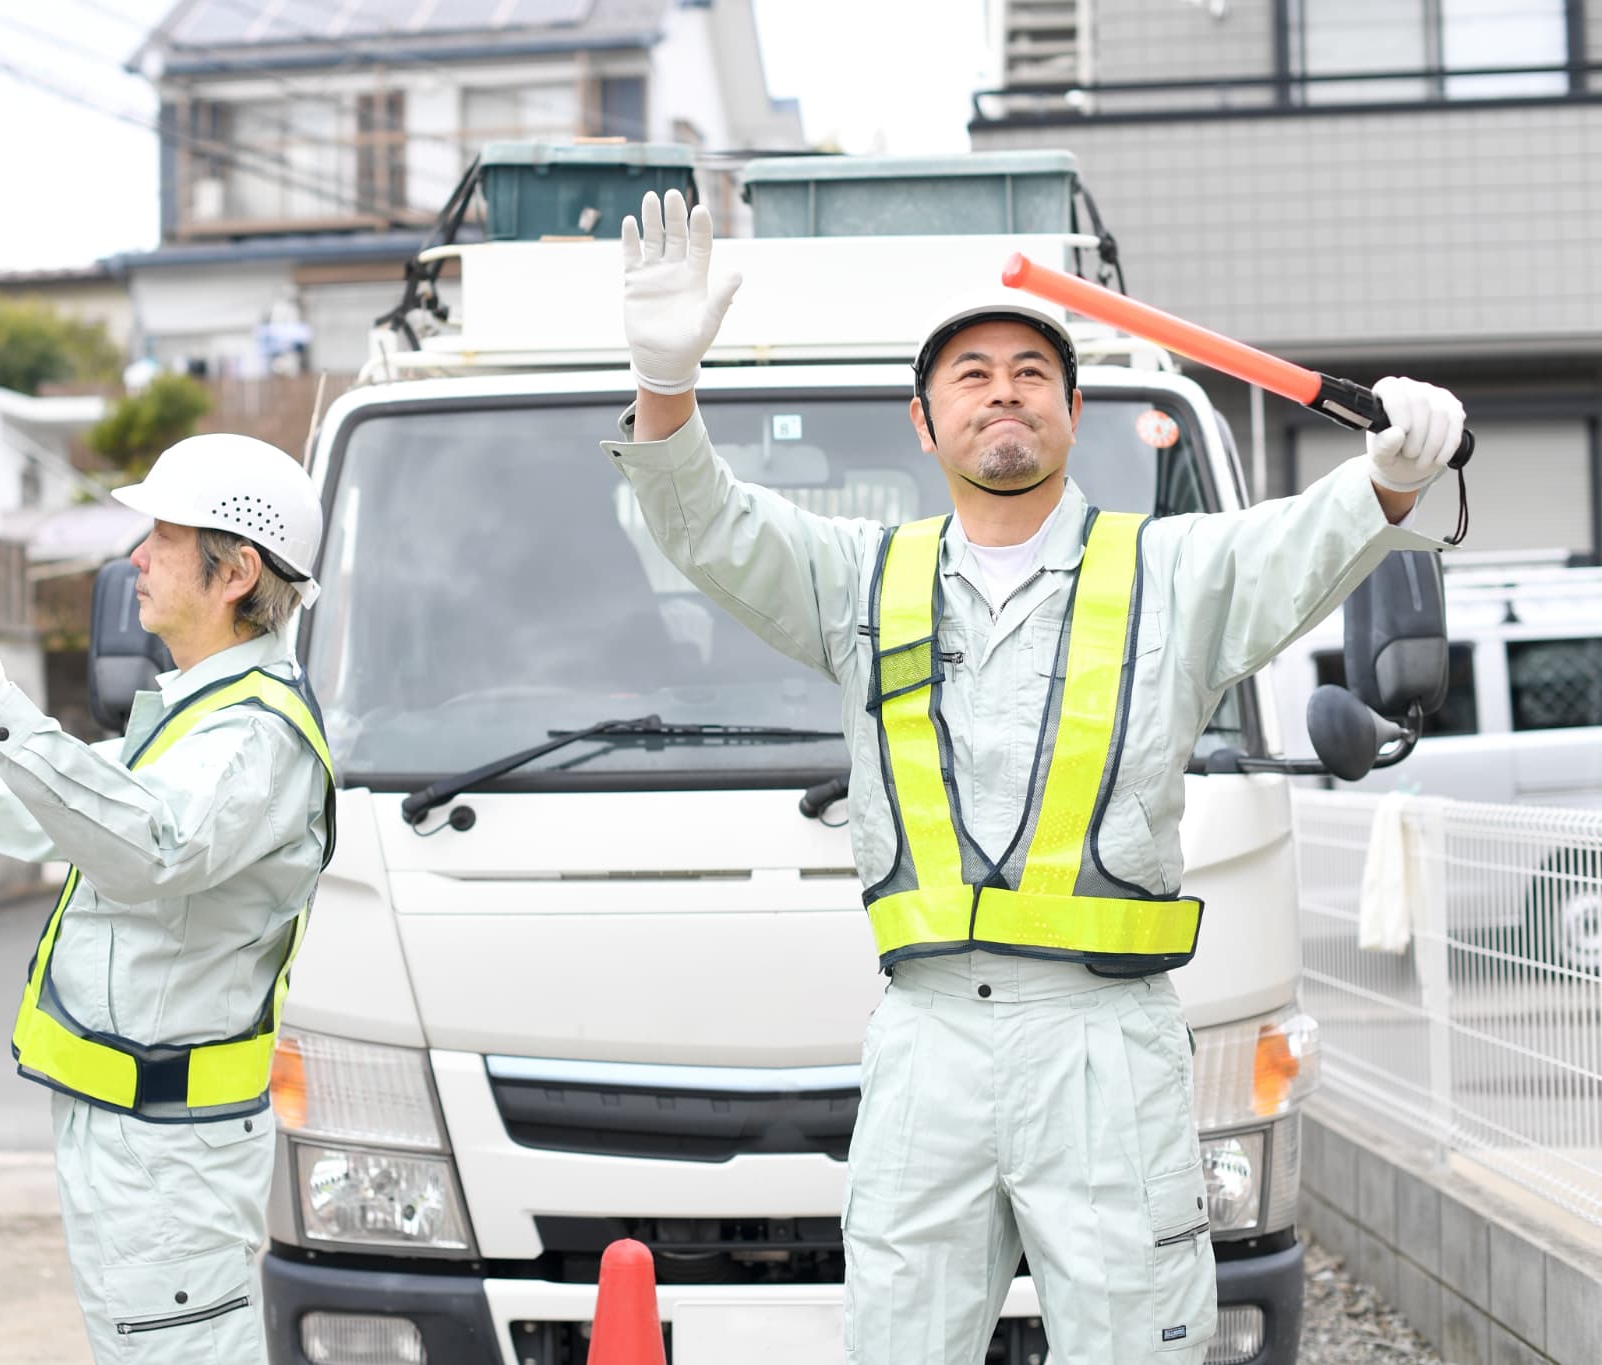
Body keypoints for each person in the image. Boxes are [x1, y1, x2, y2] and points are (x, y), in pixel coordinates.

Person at [607, 189, 1465, 1363]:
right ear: (922, 423)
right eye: (969, 375)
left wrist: (1392, 474)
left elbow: (1313, 534)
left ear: (1072, 412)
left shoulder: (1171, 573)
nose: (1000, 389)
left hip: (1101, 1039)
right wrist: (665, 384)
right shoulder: (855, 580)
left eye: (1027, 371)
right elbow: (705, 525)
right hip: (925, 1040)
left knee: (1133, 1343)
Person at [0, 434, 336, 1364]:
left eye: (163, 536)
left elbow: (144, 844)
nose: (135, 557)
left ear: (235, 570)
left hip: (172, 1153)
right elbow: (70, 811)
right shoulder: (197, 712)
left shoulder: (256, 738)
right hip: (138, 1138)